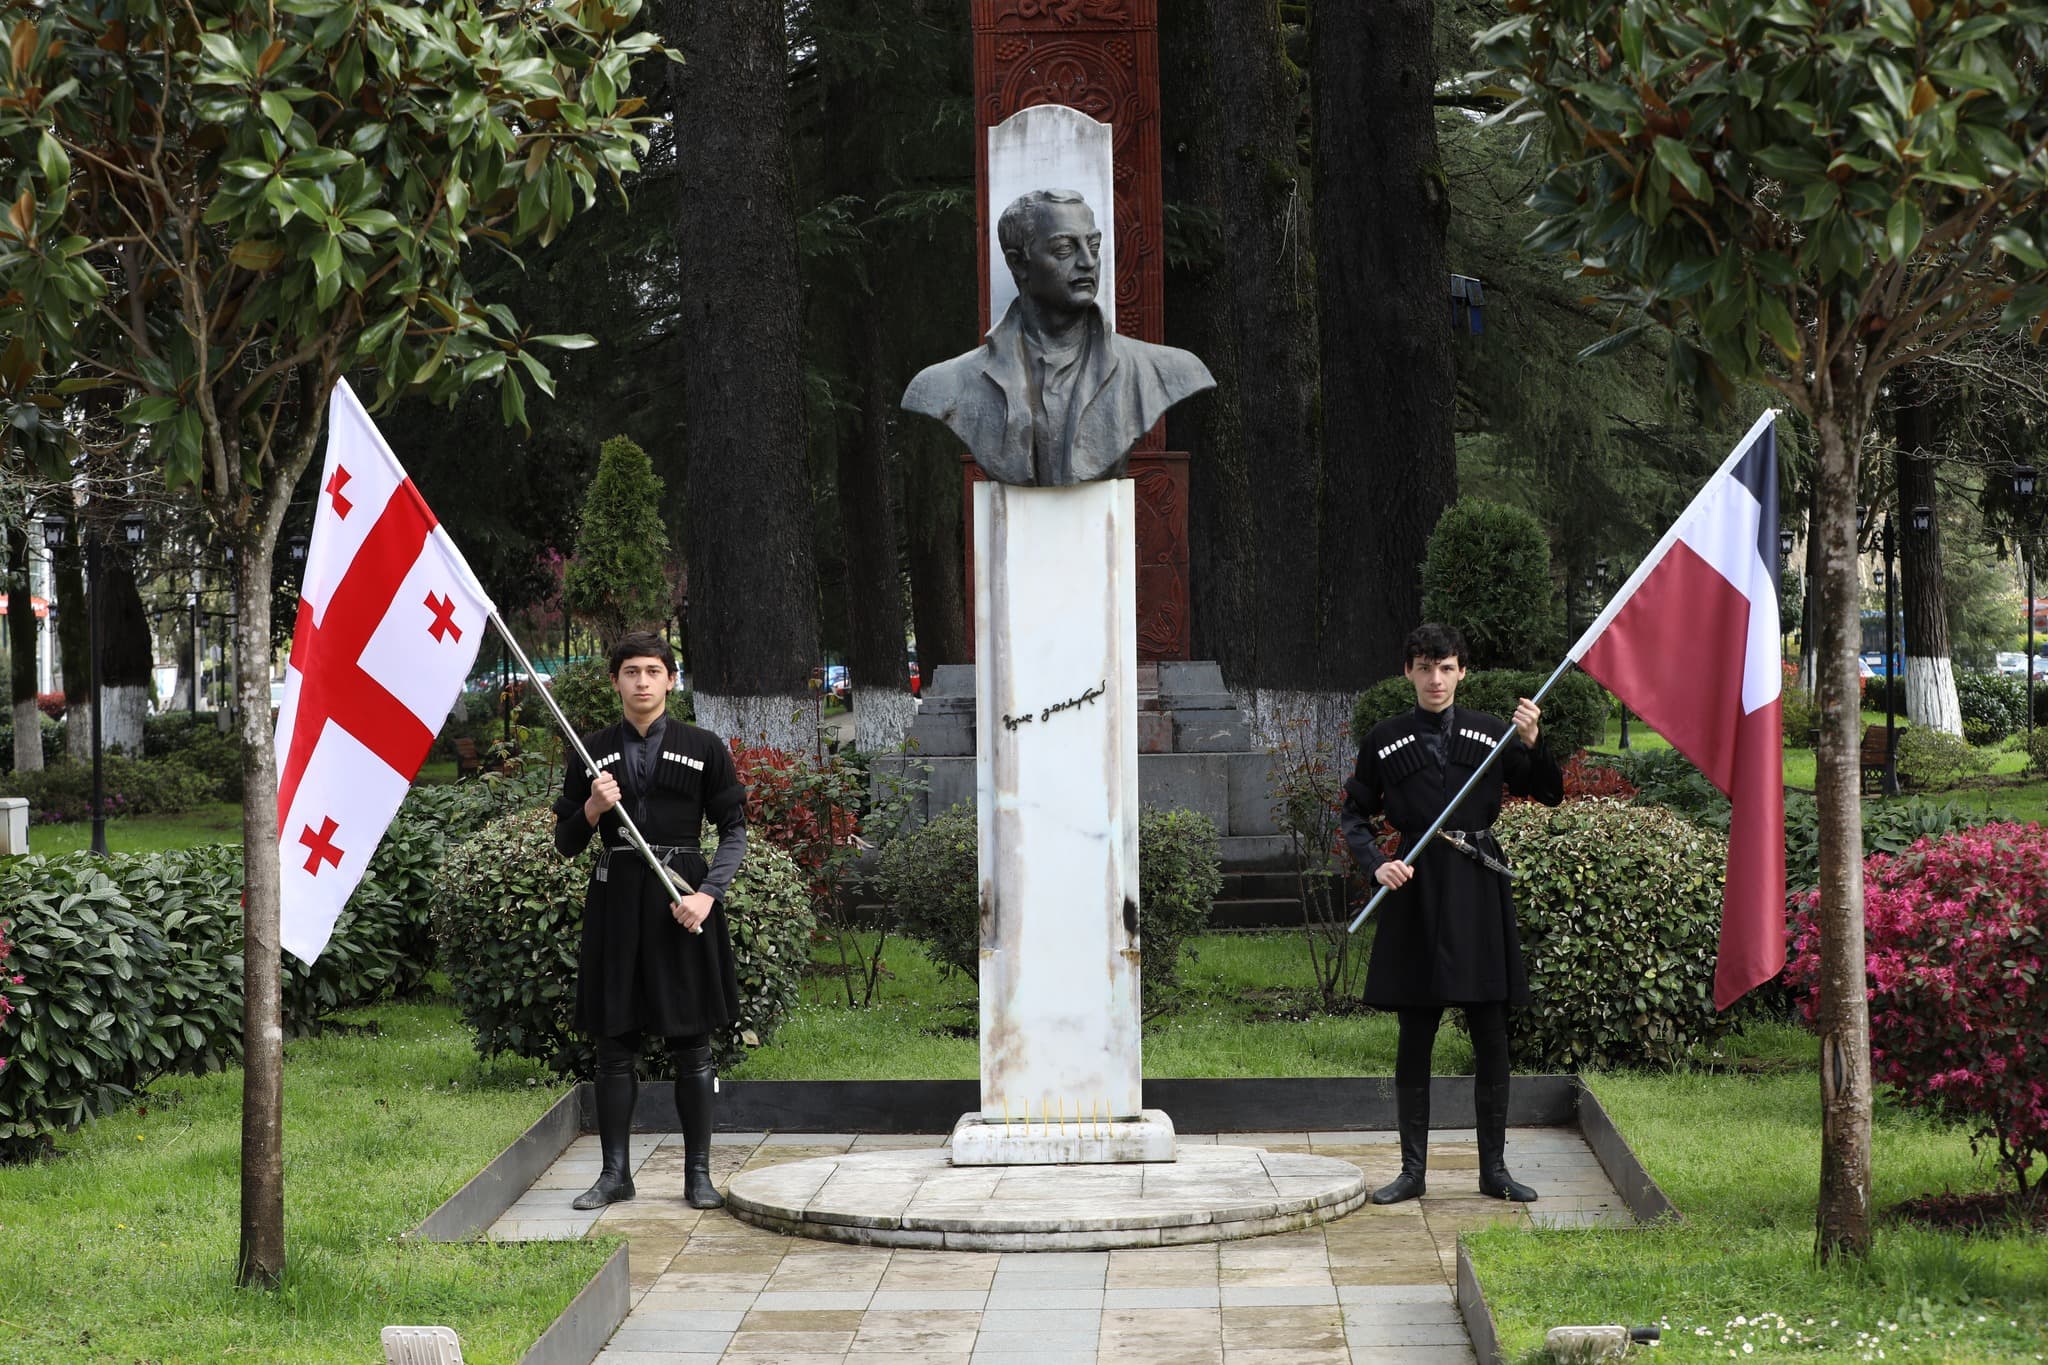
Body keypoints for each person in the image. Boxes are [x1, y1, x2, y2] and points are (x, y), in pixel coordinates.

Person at [1339, 624, 1563, 1204]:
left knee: (1491, 1031)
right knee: (1416, 1032)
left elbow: (1549, 791)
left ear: (1462, 670)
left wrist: (1533, 741)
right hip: (1414, 891)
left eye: (1445, 667)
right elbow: (1354, 816)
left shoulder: (1494, 733)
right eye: (1423, 667)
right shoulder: (1384, 740)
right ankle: (1412, 1172)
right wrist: (1376, 865)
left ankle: (1495, 1171)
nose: (1434, 679)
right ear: (1407, 672)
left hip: (1476, 885)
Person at [552, 631, 748, 1212]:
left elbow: (733, 830)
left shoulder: (703, 746)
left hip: (681, 901)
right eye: (631, 671)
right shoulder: (590, 752)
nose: (642, 681)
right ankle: (615, 1175)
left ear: (671, 680)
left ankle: (698, 1175)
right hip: (617, 903)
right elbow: (565, 842)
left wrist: (709, 893)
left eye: (653, 671)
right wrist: (590, 808)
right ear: (615, 680)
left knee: (693, 1044)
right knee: (614, 1043)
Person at [901, 189, 1214, 486]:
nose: (1088, 263)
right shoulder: (946, 384)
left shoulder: (1163, 370)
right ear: (1018, 263)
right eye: (1065, 249)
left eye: (1093, 246)